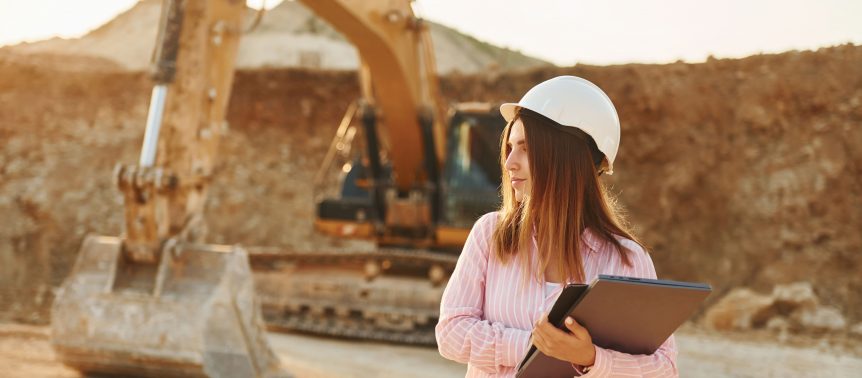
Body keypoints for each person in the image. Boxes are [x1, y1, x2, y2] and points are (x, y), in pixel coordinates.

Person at [435, 76, 678, 377]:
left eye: (524, 147)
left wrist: (590, 358)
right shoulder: (489, 234)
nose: (509, 162)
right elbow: (450, 333)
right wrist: (535, 345)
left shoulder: (626, 259)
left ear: (565, 156)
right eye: (509, 147)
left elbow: (664, 369)